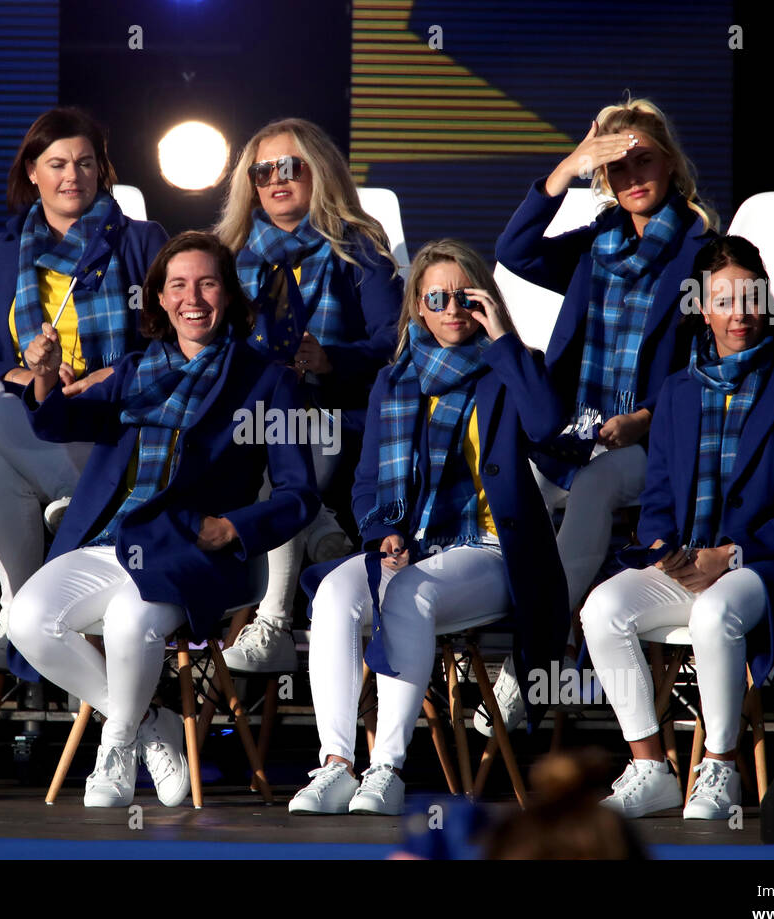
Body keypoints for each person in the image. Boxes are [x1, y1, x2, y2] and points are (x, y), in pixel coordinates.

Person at [6, 231, 319, 807]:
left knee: (130, 621)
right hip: (108, 540)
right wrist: (46, 375)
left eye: (207, 282)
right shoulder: (134, 371)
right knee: (26, 621)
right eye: (178, 284)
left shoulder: (266, 379)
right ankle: (153, 723)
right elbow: (54, 424)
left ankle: (118, 745)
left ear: (228, 294)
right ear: (158, 298)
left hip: (190, 548)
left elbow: (300, 495)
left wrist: (233, 528)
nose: (192, 297)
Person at [287, 239, 567, 817]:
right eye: (435, 297)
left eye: (463, 296)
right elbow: (366, 483)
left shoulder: (513, 366)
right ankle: (337, 764)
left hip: (492, 552)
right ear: (416, 305)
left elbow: (547, 425)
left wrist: (503, 341)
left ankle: (387, 768)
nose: (450, 309)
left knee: (408, 595)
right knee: (337, 594)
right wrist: (383, 531)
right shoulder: (394, 381)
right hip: (411, 546)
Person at [581, 236, 774, 819]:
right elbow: (658, 499)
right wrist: (667, 551)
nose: (739, 313)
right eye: (723, 299)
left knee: (714, 611)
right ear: (702, 306)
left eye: (750, 296)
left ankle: (719, 771)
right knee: (602, 608)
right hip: (690, 563)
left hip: (771, 565)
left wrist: (732, 555)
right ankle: (651, 768)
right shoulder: (677, 390)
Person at [491, 97, 716, 724]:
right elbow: (515, 249)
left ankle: (533, 655)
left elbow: (707, 371)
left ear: (672, 165)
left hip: (656, 441)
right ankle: (532, 637)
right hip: (576, 428)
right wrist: (567, 166)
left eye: (644, 160)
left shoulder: (702, 253)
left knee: (591, 486)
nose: (633, 176)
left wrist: (647, 420)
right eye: (617, 167)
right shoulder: (600, 243)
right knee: (510, 481)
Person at [0, 107, 167, 670]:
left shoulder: (142, 242)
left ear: (102, 171)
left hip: (113, 421)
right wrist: (29, 373)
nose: (72, 175)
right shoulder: (4, 250)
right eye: (57, 164)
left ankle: (17, 621)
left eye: (85, 163)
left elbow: (173, 346)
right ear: (31, 173)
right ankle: (30, 599)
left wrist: (103, 375)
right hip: (37, 420)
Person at [212, 117, 403, 675]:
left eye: (291, 167)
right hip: (245, 413)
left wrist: (331, 360)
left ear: (318, 173)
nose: (277, 179)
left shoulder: (358, 246)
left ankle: (271, 623)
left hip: (333, 410)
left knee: (282, 452)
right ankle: (317, 528)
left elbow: (395, 343)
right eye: (263, 170)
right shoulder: (230, 252)